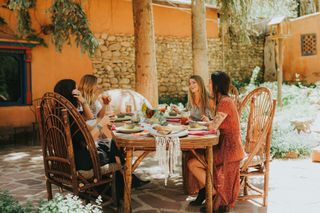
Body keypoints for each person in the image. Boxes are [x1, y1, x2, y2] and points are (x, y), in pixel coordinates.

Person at [187, 71, 245, 212]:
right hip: (225, 146)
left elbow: (214, 127)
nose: (208, 84)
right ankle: (209, 191)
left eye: (211, 82)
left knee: (192, 163)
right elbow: (216, 124)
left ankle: (213, 192)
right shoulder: (224, 100)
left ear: (217, 85)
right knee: (193, 157)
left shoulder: (225, 102)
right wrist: (209, 122)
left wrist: (208, 123)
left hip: (230, 149)